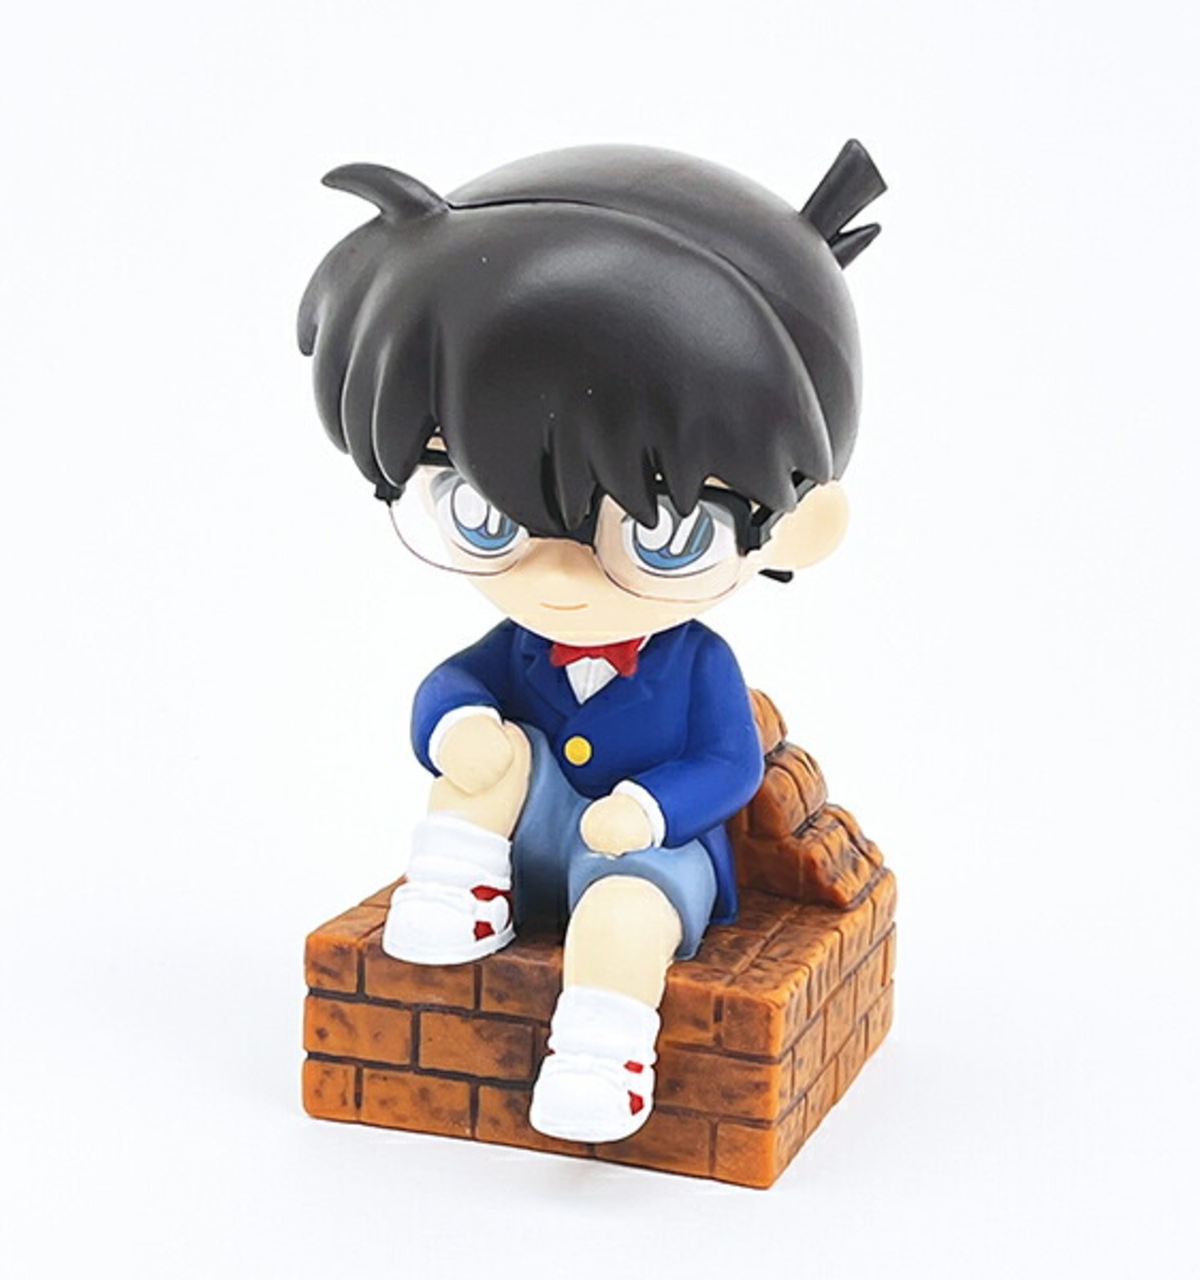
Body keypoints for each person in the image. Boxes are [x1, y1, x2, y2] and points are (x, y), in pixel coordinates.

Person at [298, 140, 884, 1142]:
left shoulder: (697, 666)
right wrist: (458, 730)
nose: (558, 579)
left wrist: (650, 809)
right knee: (487, 751)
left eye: (660, 533)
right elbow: (450, 686)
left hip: (645, 854)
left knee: (622, 916)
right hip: (524, 839)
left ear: (797, 528)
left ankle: (603, 1047)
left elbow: (729, 763)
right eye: (482, 509)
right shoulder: (516, 646)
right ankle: (456, 884)